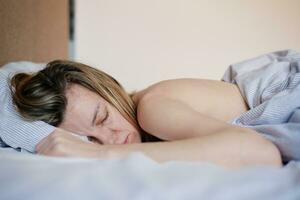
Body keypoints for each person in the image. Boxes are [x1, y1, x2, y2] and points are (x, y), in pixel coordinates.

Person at [6, 50, 300, 168]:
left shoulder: (152, 107)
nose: (111, 138)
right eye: (90, 139)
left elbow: (261, 153)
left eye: (103, 117)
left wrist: (96, 153)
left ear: (109, 88)